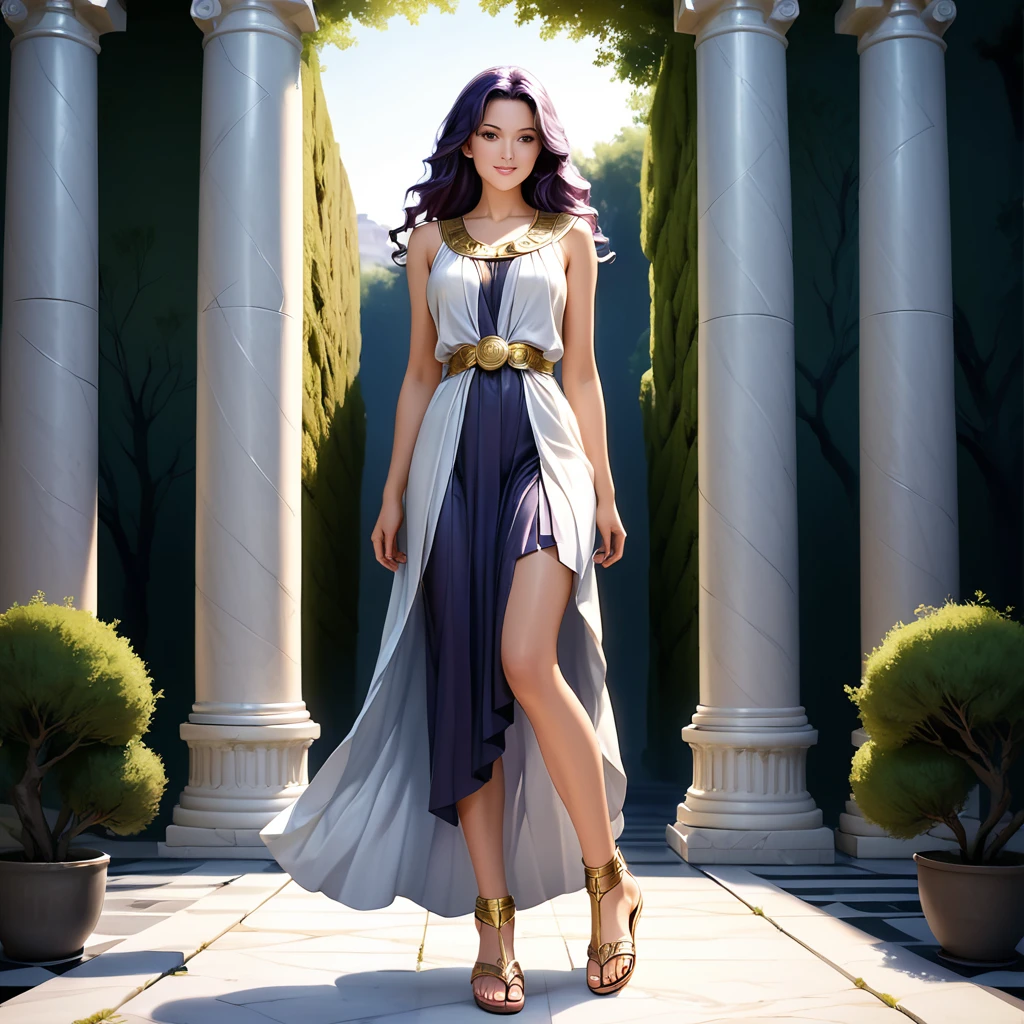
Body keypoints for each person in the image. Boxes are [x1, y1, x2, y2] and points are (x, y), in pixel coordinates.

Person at [261, 65, 641, 1015]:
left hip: (544, 447)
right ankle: (494, 925)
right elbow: (420, 378)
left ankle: (610, 885)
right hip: (449, 460)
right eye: (491, 135)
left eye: (524, 136)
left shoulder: (572, 241)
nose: (508, 151)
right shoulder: (431, 241)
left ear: (539, 145)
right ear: (466, 143)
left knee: (524, 657)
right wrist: (392, 493)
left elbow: (585, 373)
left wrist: (603, 489)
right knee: (463, 680)